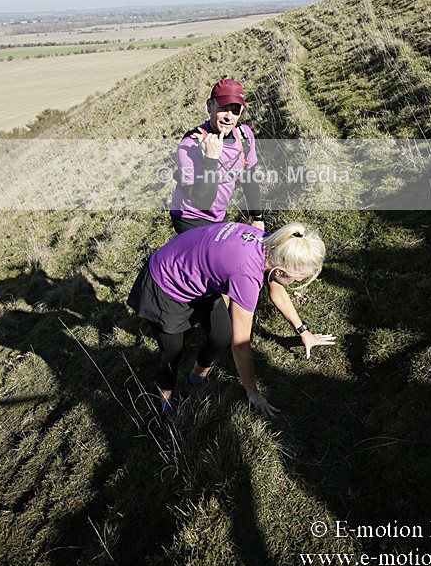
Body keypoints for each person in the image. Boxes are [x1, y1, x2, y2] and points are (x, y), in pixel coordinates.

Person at [127, 220, 336, 419]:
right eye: (297, 279)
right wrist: (253, 393)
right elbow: (241, 345)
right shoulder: (246, 277)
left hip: (197, 277)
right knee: (171, 353)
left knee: (221, 336)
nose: (297, 282)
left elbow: (277, 289)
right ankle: (167, 403)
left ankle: (194, 382)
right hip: (165, 284)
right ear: (279, 270)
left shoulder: (271, 246)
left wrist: (303, 332)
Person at [168, 78, 264, 234]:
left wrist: (257, 218)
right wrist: (211, 159)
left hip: (218, 216)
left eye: (235, 110)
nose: (229, 117)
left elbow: (249, 178)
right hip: (190, 217)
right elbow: (202, 202)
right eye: (223, 108)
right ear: (209, 106)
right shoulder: (190, 145)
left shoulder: (244, 136)